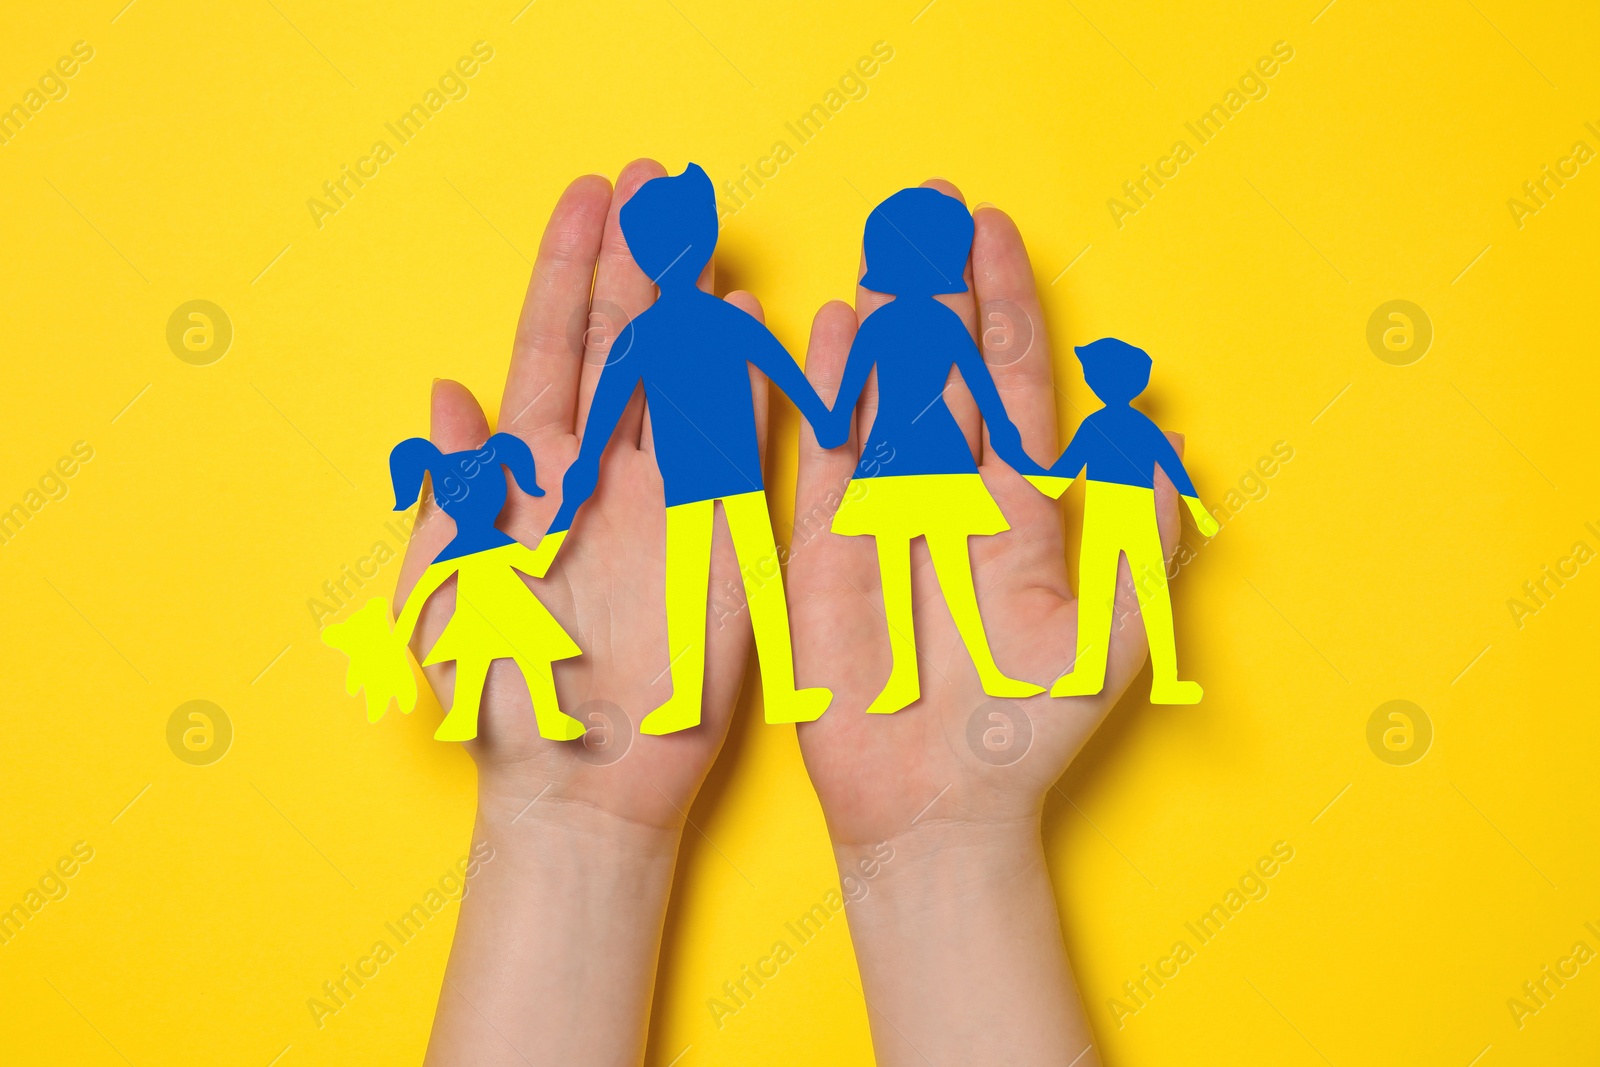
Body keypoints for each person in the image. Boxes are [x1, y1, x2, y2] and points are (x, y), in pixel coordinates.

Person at [409, 164, 1192, 1067]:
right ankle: (784, 674)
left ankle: (786, 673)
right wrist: (563, 815)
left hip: (740, 478)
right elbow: (704, 396)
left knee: (744, 577)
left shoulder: (714, 330)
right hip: (718, 482)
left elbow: (777, 374)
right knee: (739, 578)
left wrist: (948, 836)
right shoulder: (672, 336)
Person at [526, 162, 841, 734]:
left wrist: (590, 461)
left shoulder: (643, 333)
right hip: (714, 471)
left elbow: (779, 368)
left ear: (645, 257)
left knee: (704, 582)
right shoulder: (672, 328)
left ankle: (742, 692)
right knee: (753, 576)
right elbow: (782, 370)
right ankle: (736, 694)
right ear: (705, 240)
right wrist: (820, 418)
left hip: (719, 471)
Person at [818, 186, 1049, 714]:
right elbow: (987, 397)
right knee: (952, 571)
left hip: (890, 458)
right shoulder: (945, 322)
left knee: (899, 574)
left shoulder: (877, 325)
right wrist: (1014, 446)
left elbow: (838, 420)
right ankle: (985, 671)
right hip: (942, 454)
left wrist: (821, 418)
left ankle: (914, 676)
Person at [321, 433, 585, 742]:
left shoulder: (477, 547)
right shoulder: (486, 546)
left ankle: (536, 717)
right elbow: (539, 564)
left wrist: (570, 506)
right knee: (502, 660)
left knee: (504, 660)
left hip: (498, 612)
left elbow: (418, 598)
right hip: (501, 613)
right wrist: (568, 507)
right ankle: (468, 718)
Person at [1041, 337, 1220, 703]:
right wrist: (1198, 512)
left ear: (1095, 380)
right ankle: (1161, 679)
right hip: (1133, 513)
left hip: (1110, 515)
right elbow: (1173, 470)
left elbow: (1057, 481)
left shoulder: (1096, 425)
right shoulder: (1141, 426)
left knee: (1099, 595)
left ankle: (1099, 674)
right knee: (1149, 596)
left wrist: (1020, 463)